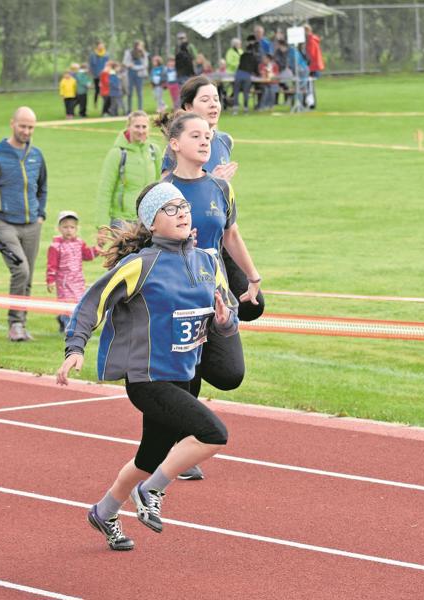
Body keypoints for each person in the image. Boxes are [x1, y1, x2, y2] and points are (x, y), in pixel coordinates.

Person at [57, 182, 238, 551]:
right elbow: (93, 303)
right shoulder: (140, 265)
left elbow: (228, 313)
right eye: (171, 209)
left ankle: (104, 512)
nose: (183, 213)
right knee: (213, 434)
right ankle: (151, 490)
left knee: (150, 456)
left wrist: (223, 322)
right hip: (147, 378)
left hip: (184, 375)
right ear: (151, 223)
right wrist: (75, 347)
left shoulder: (208, 261)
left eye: (184, 206)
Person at [158, 112, 265, 483]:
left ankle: (174, 412)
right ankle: (178, 448)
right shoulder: (164, 191)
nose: (206, 142)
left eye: (208, 136)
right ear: (175, 144)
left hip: (215, 295)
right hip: (176, 298)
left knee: (230, 373)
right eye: (196, 136)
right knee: (184, 377)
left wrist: (252, 277)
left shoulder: (220, 189)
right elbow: (147, 245)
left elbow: (231, 236)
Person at [0, 106, 47, 342]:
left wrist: (41, 214)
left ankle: (22, 324)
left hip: (32, 224)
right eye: (23, 126)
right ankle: (15, 323)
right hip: (4, 223)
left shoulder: (37, 155)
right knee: (20, 270)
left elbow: (42, 186)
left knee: (28, 277)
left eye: (31, 127)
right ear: (12, 124)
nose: (27, 131)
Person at [161, 76, 238, 182]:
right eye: (205, 100)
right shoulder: (178, 146)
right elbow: (167, 194)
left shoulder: (226, 140)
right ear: (188, 107)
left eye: (216, 99)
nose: (213, 104)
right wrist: (213, 182)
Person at [95, 110, 162, 229]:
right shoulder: (117, 154)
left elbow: (160, 185)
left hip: (148, 218)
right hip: (122, 221)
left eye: (144, 127)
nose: (141, 131)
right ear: (129, 127)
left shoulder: (154, 151)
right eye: (137, 126)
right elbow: (105, 190)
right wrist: (102, 225)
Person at [46, 210, 101, 333]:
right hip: (64, 282)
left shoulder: (79, 243)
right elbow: (51, 265)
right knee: (67, 303)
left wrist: (98, 248)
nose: (68, 230)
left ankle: (63, 319)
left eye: (72, 227)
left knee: (79, 301)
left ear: (76, 228)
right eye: (65, 227)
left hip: (78, 281)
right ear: (59, 228)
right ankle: (68, 325)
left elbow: (87, 255)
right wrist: (50, 280)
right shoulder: (55, 246)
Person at [232, 35, 260, 115]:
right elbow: (255, 69)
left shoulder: (242, 55)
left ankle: (235, 109)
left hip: (239, 74)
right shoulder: (254, 57)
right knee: (245, 92)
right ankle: (245, 109)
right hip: (247, 75)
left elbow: (240, 64)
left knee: (236, 91)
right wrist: (258, 74)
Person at [122, 40, 149, 113]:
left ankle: (140, 109)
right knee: (129, 92)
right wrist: (129, 65)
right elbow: (125, 62)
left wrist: (135, 67)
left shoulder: (144, 54)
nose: (141, 47)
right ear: (136, 45)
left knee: (139, 92)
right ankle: (129, 110)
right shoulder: (129, 52)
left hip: (139, 74)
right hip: (130, 73)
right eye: (140, 45)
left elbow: (145, 65)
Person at [304, 24, 324, 108]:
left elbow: (311, 55)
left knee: (309, 85)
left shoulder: (311, 41)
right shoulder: (311, 39)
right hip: (314, 66)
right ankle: (310, 102)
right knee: (310, 84)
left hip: (313, 66)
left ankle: (311, 104)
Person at [88, 41, 108, 108]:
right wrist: (93, 73)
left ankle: (105, 105)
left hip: (104, 75)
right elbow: (91, 65)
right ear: (97, 46)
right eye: (100, 45)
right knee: (97, 90)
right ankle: (95, 103)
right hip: (96, 75)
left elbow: (107, 65)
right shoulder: (93, 55)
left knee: (104, 90)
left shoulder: (106, 55)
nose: (101, 47)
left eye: (102, 45)